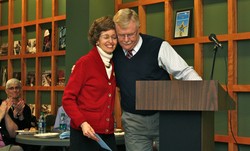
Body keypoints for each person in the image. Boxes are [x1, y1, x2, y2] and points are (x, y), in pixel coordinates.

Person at [112, 8, 202, 151]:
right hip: (133, 120)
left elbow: (184, 72)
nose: (126, 40)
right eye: (121, 35)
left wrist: (204, 90)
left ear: (138, 29)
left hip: (163, 117)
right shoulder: (114, 50)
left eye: (131, 34)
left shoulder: (158, 46)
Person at [62, 16, 118, 151]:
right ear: (97, 40)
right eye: (106, 37)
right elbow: (68, 99)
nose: (111, 41)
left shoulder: (115, 63)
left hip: (107, 133)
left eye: (114, 37)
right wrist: (82, 123)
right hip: (85, 134)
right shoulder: (85, 63)